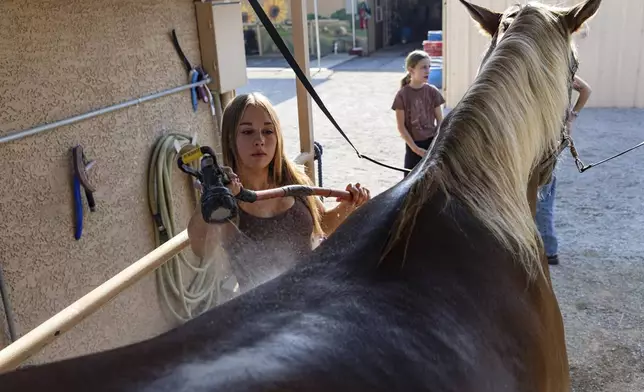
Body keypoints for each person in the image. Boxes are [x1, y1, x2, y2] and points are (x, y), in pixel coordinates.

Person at [188, 92, 371, 293]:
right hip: (260, 311)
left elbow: (324, 225)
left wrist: (349, 205)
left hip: (312, 294)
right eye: (247, 132)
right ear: (231, 138)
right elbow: (200, 249)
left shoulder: (295, 180)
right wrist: (210, 200)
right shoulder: (223, 196)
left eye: (268, 131)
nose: (259, 140)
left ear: (278, 136)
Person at [537, 75, 592, 265]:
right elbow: (586, 90)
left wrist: (572, 117)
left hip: (547, 141)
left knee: (542, 198)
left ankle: (549, 251)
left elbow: (586, 89)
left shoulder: (558, 72)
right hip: (547, 138)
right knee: (543, 196)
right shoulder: (557, 70)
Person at [391, 49, 445, 176]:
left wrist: (436, 145)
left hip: (432, 146)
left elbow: (441, 121)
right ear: (411, 70)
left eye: (429, 67)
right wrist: (416, 149)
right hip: (413, 147)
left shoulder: (433, 92)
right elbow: (401, 127)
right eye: (423, 67)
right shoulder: (402, 95)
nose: (428, 71)